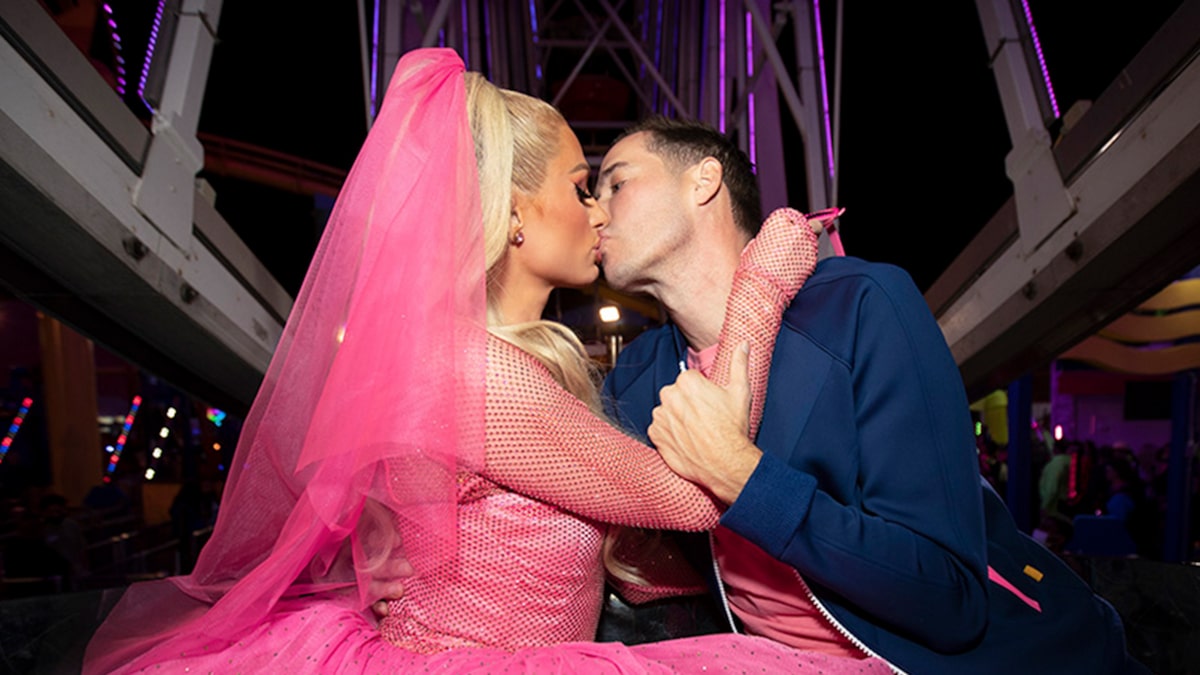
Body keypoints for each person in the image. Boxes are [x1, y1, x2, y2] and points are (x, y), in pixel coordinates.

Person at [84, 49, 889, 673]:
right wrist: (761, 283)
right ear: (512, 213)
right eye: (581, 186)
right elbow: (692, 494)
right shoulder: (481, 376)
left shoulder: (486, 363)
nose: (597, 214)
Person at [597, 117, 1149, 673]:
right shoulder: (637, 377)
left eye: (616, 184)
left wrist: (742, 476)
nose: (596, 212)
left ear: (704, 182)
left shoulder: (861, 306)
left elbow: (951, 598)